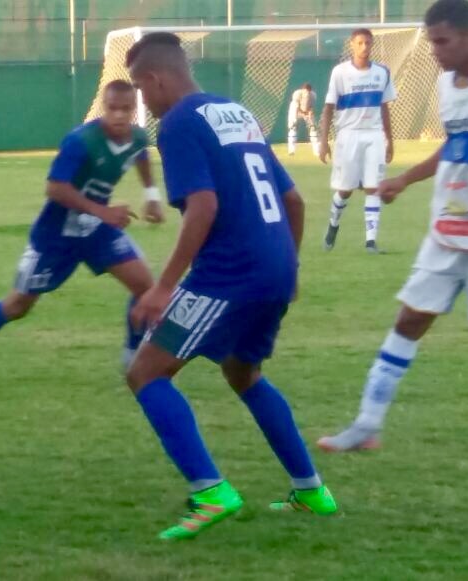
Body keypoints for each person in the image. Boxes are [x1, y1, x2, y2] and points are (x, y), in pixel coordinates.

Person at [124, 32, 337, 541]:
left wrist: (163, 288)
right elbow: (296, 201)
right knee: (244, 373)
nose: (142, 101)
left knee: (146, 373)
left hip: (230, 273)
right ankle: (310, 491)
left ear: (155, 79)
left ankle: (210, 491)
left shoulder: (176, 125)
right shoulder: (236, 112)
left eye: (139, 87)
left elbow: (204, 208)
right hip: (275, 266)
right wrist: (290, 268)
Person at [318, 0, 468, 452]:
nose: (435, 51)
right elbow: (455, 144)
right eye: (431, 42)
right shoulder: (447, 85)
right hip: (448, 229)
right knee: (409, 320)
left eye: (442, 41)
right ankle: (368, 424)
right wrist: (406, 179)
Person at [0, 80, 164, 383]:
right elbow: (55, 188)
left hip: (97, 230)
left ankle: (132, 359)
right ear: (103, 107)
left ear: (134, 109)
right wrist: (103, 211)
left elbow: (140, 155)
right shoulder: (81, 141)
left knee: (145, 287)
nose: (119, 116)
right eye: (112, 109)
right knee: (18, 305)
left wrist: (151, 194)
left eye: (126, 109)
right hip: (56, 234)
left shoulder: (138, 137)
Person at [318, 28, 397, 253]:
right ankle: (333, 226)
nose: (364, 47)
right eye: (360, 43)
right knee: (345, 190)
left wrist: (390, 140)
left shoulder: (382, 72)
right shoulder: (340, 73)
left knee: (373, 187)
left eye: (368, 43)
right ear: (351, 45)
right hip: (348, 134)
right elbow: (328, 108)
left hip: (373, 135)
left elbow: (384, 107)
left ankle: (370, 241)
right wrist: (324, 141)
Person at [287, 82, 320, 156]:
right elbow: (296, 107)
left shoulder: (313, 95)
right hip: (295, 110)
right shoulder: (297, 94)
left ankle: (316, 151)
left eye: (308, 91)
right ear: (302, 90)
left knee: (313, 128)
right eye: (305, 91)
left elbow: (311, 107)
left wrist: (309, 114)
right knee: (293, 128)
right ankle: (291, 150)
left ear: (310, 91)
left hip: (306, 110)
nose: (306, 93)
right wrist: (302, 115)